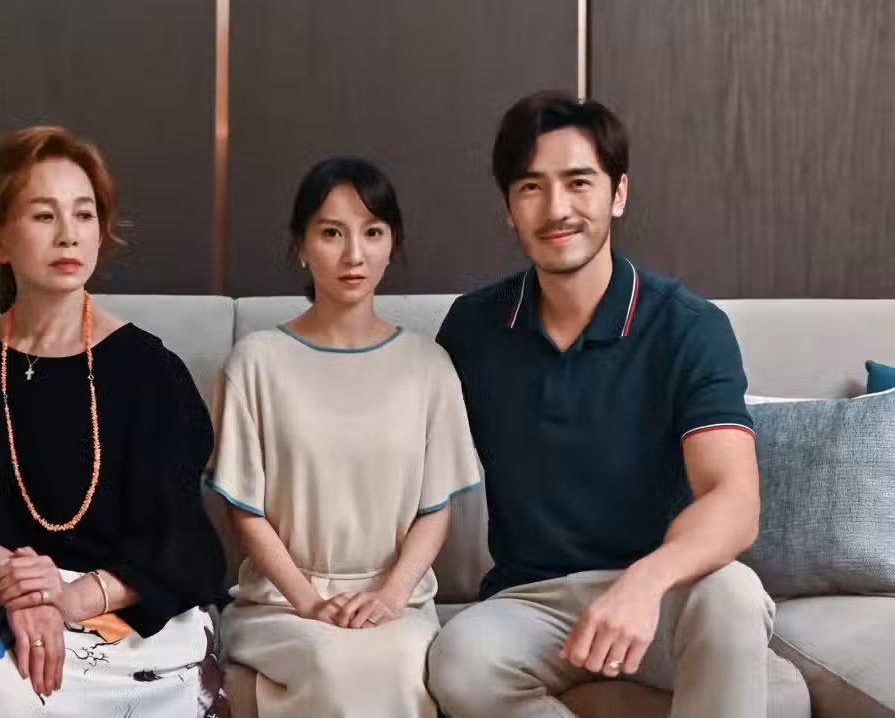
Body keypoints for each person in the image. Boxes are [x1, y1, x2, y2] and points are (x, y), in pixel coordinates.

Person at [426, 91, 775, 718]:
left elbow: (734, 498)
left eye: (579, 182)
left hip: (664, 593)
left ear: (618, 194)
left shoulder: (688, 327)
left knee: (734, 595)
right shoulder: (472, 330)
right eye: (531, 187)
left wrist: (646, 580)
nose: (556, 209)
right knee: (459, 661)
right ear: (508, 208)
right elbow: (409, 465)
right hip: (530, 603)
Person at [0, 126, 229, 718]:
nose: (68, 234)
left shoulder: (150, 372)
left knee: (3, 675)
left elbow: (184, 546)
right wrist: (17, 579)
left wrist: (69, 598)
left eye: (84, 214)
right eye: (43, 215)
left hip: (123, 621)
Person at [210, 157, 482, 717]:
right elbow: (246, 514)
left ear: (392, 244)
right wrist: (310, 603)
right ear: (301, 246)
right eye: (332, 233)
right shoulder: (256, 363)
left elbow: (435, 511)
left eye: (372, 232)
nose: (354, 254)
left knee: (402, 665)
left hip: (398, 604)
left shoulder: (429, 366)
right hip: (281, 605)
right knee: (334, 662)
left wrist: (391, 596)